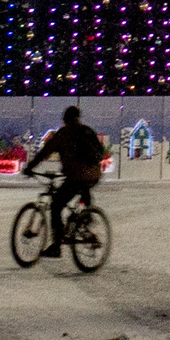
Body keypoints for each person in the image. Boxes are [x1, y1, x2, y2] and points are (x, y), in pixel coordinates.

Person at [23, 104, 105, 258]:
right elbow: (100, 152)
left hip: (76, 177)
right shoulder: (87, 131)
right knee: (81, 189)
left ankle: (56, 246)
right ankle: (85, 216)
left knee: (56, 206)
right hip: (93, 175)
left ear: (65, 119)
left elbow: (44, 152)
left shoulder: (63, 134)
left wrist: (30, 167)